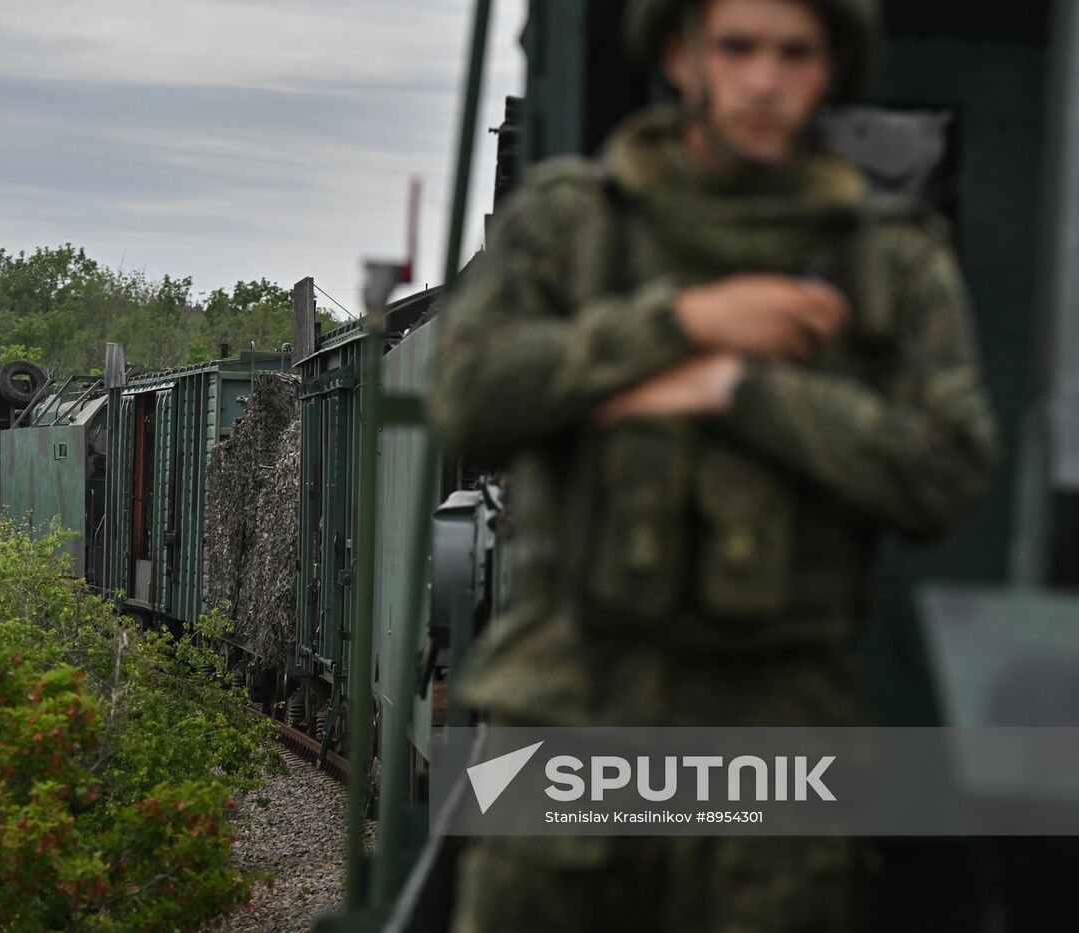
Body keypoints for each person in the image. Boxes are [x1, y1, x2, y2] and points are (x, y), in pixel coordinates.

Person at [428, 0, 1000, 929]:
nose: (765, 79)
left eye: (796, 53)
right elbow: (472, 399)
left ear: (835, 70)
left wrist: (739, 387)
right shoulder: (573, 224)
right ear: (677, 53)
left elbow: (946, 469)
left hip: (778, 729)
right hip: (572, 715)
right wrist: (683, 324)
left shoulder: (889, 256)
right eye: (737, 47)